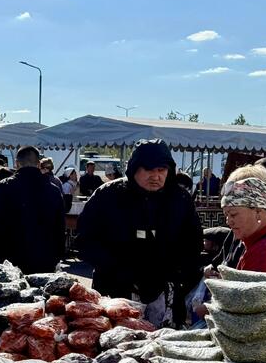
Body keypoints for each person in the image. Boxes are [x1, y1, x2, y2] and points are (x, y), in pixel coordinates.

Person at [77, 139, 203, 328]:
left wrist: (175, 273)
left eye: (161, 170)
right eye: (149, 170)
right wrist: (119, 268)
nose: (156, 176)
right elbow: (85, 242)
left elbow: (193, 245)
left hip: (165, 293)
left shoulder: (179, 199)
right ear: (134, 168)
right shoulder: (108, 195)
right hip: (114, 292)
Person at [0, 146, 65, 274]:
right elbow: (60, 226)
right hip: (44, 259)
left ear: (16, 164)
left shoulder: (4, 187)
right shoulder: (54, 190)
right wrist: (58, 256)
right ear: (38, 164)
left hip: (9, 261)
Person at [208, 165, 266, 273]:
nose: (228, 221)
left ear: (258, 210)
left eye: (233, 214)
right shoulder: (247, 238)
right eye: (226, 215)